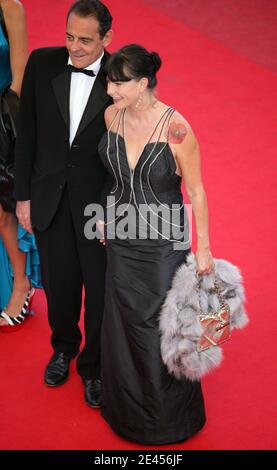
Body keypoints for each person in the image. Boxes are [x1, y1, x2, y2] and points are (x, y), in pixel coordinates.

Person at [97, 44, 214, 444]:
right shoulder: (112, 116)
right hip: (122, 240)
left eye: (118, 83)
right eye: (110, 82)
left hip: (164, 245)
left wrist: (203, 249)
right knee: (122, 325)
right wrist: (104, 215)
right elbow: (114, 178)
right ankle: (127, 414)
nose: (110, 91)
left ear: (143, 83)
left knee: (159, 329)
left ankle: (167, 422)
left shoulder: (176, 128)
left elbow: (196, 192)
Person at [14, 0, 113, 407]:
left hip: (99, 208)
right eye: (69, 36)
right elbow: (28, 133)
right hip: (49, 196)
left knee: (100, 288)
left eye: (85, 41)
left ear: (107, 38)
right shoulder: (41, 63)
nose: (74, 47)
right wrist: (23, 195)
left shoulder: (120, 75)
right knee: (59, 284)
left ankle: (94, 367)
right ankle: (64, 349)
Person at [0, 0, 40, 330]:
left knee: (3, 211)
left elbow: (19, 79)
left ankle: (20, 285)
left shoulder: (10, 8)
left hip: (1, 121)